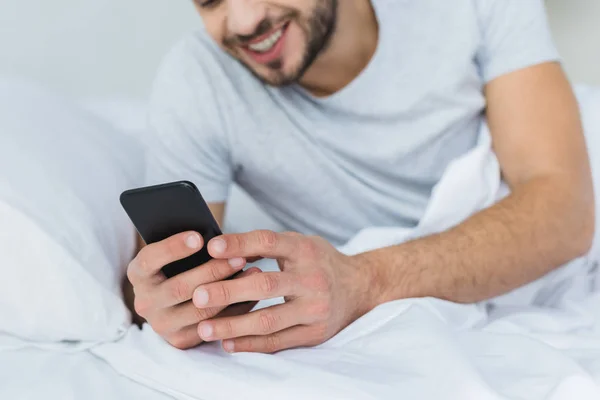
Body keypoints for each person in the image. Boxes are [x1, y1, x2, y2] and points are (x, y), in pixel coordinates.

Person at [125, 0, 595, 353]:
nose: (245, 21)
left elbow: (566, 212)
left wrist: (365, 281)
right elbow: (157, 289)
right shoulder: (200, 80)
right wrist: (170, 304)